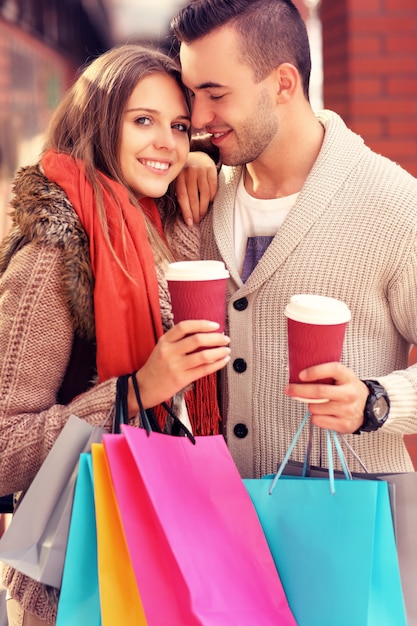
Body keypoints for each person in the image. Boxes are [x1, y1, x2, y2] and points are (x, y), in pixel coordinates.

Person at [0, 43, 230, 625]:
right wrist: (132, 391)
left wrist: (201, 158)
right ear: (99, 123)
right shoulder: (56, 250)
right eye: (143, 121)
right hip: (81, 574)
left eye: (179, 126)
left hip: (175, 547)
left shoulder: (170, 217)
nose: (167, 143)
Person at [171, 0, 417, 479]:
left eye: (215, 94)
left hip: (343, 525)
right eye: (192, 93)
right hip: (216, 526)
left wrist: (376, 401)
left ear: (283, 83)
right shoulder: (199, 196)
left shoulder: (396, 205)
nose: (198, 116)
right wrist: (193, 158)